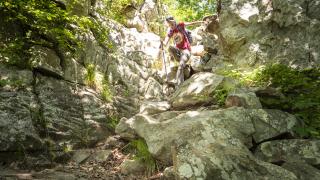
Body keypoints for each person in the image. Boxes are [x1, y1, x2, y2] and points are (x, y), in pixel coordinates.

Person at [160, 16, 204, 87]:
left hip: (186, 51)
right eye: (169, 24)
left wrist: (200, 22)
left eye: (171, 23)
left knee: (180, 67)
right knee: (170, 47)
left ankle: (179, 85)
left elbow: (191, 23)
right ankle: (180, 61)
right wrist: (162, 42)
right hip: (178, 52)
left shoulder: (180, 25)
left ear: (174, 22)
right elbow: (165, 43)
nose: (171, 26)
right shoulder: (171, 31)